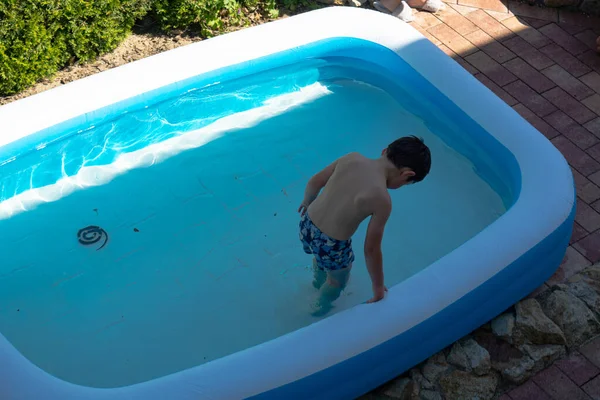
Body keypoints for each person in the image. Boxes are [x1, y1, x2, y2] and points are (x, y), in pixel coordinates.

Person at [298, 136, 431, 315]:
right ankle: (318, 308)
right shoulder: (382, 199)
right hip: (332, 244)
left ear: (384, 151)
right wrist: (377, 287)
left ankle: (317, 281)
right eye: (406, 184)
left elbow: (315, 181)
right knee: (337, 281)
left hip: (307, 224)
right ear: (407, 175)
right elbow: (371, 249)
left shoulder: (351, 158)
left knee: (320, 256)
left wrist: (307, 202)